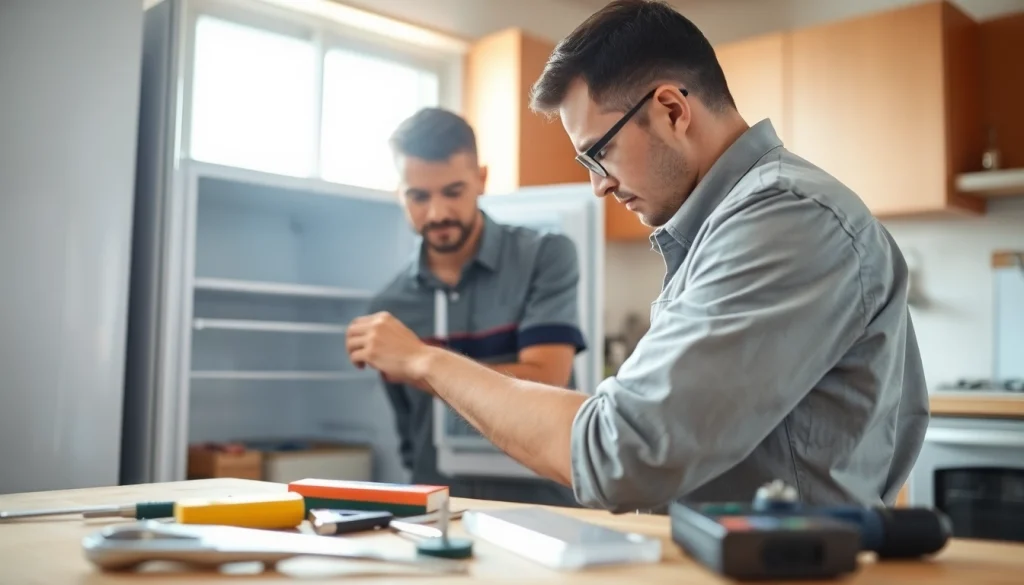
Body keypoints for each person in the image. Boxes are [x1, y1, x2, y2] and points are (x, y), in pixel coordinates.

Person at [346, 0, 929, 513]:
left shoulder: (785, 218)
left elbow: (621, 455)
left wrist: (427, 362)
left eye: (599, 153)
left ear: (673, 109)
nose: (598, 186)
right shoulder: (724, 225)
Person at [362, 107, 584, 506]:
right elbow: (410, 431)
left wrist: (418, 361)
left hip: (543, 501)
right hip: (439, 504)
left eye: (453, 191)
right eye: (419, 196)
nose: (438, 213)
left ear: (481, 179)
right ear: (400, 195)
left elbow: (546, 380)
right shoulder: (389, 308)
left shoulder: (545, 256)